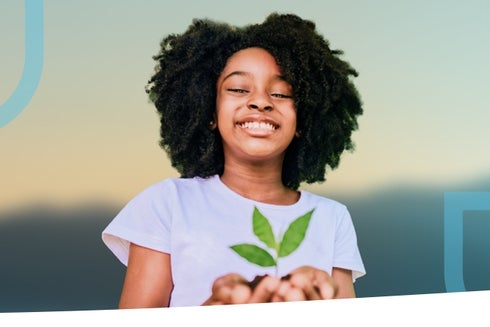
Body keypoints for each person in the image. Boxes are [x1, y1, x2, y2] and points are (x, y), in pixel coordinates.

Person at [102, 12, 365, 308]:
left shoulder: (332, 219)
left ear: (304, 118)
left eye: (281, 93)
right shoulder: (167, 204)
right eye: (238, 89)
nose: (261, 101)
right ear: (209, 112)